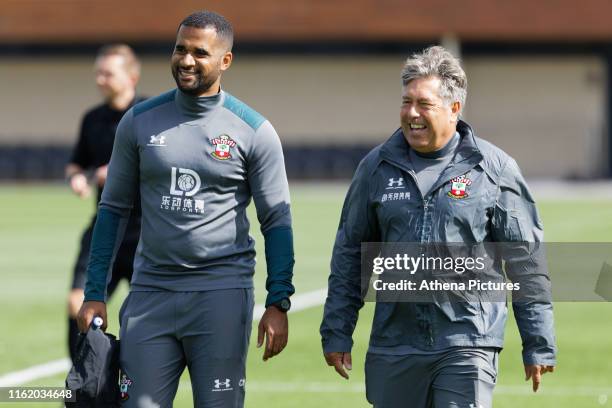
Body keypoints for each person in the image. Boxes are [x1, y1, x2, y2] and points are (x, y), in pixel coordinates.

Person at [77, 10, 295, 407]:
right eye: (180, 49)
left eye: (200, 52)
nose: (187, 60)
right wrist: (94, 291)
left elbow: (276, 221)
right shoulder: (138, 122)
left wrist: (278, 301)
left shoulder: (254, 132)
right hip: (150, 294)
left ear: (225, 61)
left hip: (221, 294)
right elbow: (112, 210)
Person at [320, 46, 556, 408]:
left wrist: (538, 340)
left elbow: (525, 261)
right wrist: (337, 331)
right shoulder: (375, 167)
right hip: (395, 342)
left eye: (424, 104)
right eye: (406, 101)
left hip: (467, 341)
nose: (411, 113)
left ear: (454, 109)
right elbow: (350, 254)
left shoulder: (494, 169)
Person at [66, 44, 143, 364]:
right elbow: (77, 163)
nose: (100, 79)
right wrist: (78, 178)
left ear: (131, 77)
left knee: (145, 318)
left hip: (144, 232)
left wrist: (116, 171)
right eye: (98, 72)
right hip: (105, 228)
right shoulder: (92, 119)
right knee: (76, 303)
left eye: (108, 73)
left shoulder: (148, 115)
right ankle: (86, 379)